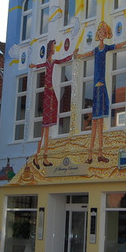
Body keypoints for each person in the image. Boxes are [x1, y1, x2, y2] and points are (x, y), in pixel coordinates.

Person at [77, 21, 126, 163]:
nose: (102, 34)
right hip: (97, 87)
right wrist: (78, 55)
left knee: (100, 121)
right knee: (96, 121)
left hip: (102, 86)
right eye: (100, 32)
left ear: (106, 35)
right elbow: (86, 54)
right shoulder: (96, 50)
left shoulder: (106, 47)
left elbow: (116, 46)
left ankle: (99, 153)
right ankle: (90, 154)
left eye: (104, 32)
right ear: (98, 35)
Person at [29, 39, 75, 168]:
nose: (55, 49)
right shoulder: (47, 63)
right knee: (45, 128)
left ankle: (42, 157)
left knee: (47, 128)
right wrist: (33, 66)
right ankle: (40, 156)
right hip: (48, 95)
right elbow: (39, 66)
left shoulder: (52, 62)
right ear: (50, 49)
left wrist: (72, 55)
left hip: (51, 94)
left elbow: (62, 61)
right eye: (54, 47)